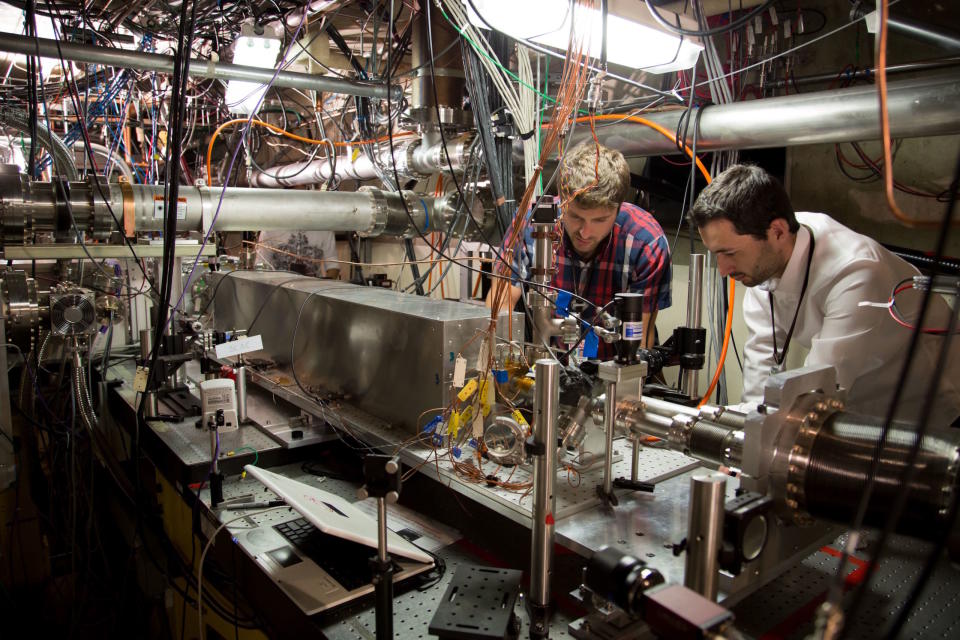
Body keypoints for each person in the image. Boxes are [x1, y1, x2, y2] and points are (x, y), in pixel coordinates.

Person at [691, 163, 960, 426]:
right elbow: (761, 364)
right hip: (863, 396)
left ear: (778, 232)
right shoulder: (765, 260)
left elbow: (817, 387)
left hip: (930, 403)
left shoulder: (855, 272)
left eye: (729, 253)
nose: (723, 270)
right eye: (717, 254)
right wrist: (745, 434)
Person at [488, 142, 672, 359]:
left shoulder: (645, 243)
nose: (585, 232)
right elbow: (501, 304)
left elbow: (641, 339)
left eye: (600, 220)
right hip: (551, 365)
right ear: (562, 201)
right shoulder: (532, 224)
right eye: (575, 216)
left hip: (613, 370)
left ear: (619, 208)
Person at [256, 230, 340, 279]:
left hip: (312, 294)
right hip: (277, 293)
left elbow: (333, 265)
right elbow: (260, 264)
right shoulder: (270, 228)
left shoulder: (324, 228)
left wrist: (323, 291)